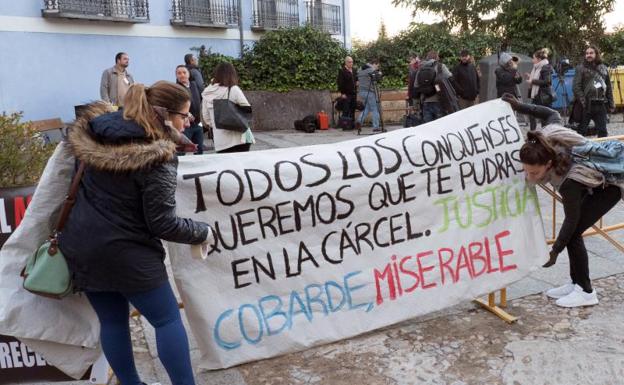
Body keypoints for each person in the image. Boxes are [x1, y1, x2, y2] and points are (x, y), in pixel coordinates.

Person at [59, 81, 212, 384]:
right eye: (185, 115)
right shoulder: (158, 155)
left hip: (81, 245)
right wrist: (202, 231)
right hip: (129, 253)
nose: (189, 121)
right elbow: (162, 223)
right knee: (166, 319)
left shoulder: (94, 132)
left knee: (113, 322)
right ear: (164, 115)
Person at [503, 93, 622, 308]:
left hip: (610, 187)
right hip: (592, 183)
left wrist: (555, 251)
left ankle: (586, 292)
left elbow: (570, 220)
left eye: (534, 173)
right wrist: (519, 106)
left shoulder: (568, 180)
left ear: (548, 165)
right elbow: (550, 113)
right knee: (573, 234)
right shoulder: (549, 137)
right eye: (526, 171)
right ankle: (576, 283)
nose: (529, 177)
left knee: (573, 232)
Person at [201, 62, 254, 153]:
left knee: (226, 166)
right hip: (239, 138)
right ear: (232, 74)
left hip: (220, 141)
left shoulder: (207, 92)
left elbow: (206, 118)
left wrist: (218, 124)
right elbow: (247, 110)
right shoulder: (233, 89)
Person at [572, 45, 615, 137]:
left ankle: (601, 150)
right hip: (585, 105)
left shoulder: (603, 68)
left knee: (603, 131)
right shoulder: (580, 68)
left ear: (596, 54)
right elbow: (576, 87)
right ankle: (581, 151)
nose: (588, 55)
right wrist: (583, 102)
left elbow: (608, 87)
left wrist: (611, 104)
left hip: (600, 104)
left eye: (591, 53)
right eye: (587, 53)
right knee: (581, 132)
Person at [414, 50, 455, 123]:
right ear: (437, 57)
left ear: (427, 57)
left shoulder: (421, 68)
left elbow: (416, 85)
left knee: (428, 127)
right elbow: (450, 77)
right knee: (440, 125)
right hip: (439, 100)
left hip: (425, 101)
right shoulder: (440, 66)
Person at [176, 65, 204, 154]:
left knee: (199, 150)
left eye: (184, 72)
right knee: (181, 151)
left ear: (189, 74)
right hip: (184, 125)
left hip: (198, 123)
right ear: (176, 76)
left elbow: (201, 99)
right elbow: (175, 105)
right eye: (179, 73)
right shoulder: (176, 88)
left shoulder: (194, 85)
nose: (182, 75)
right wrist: (186, 113)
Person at [524, 48, 554, 130]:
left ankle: (545, 135)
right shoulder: (536, 67)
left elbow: (547, 81)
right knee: (532, 114)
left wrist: (532, 80)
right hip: (537, 95)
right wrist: (530, 76)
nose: (532, 60)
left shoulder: (546, 67)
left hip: (543, 96)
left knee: (543, 117)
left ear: (539, 59)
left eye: (534, 58)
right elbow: (539, 78)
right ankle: (533, 133)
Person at [357, 58, 382, 132]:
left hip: (362, 92)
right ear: (374, 64)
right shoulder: (371, 70)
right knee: (375, 109)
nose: (377, 68)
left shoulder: (360, 70)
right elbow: (377, 79)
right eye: (377, 66)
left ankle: (359, 121)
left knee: (367, 108)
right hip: (369, 92)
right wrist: (379, 74)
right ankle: (376, 127)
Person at [336, 56, 358, 130]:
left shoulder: (354, 70)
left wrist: (357, 82)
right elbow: (340, 83)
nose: (351, 63)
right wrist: (342, 94)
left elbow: (356, 79)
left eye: (352, 62)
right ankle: (345, 126)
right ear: (345, 62)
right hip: (346, 94)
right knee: (346, 109)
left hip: (354, 93)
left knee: (352, 109)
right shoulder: (342, 71)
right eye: (349, 62)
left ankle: (351, 124)